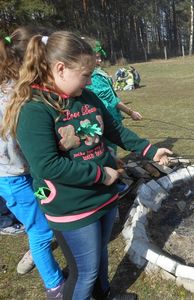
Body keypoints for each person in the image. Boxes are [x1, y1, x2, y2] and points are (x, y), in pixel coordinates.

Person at [1, 30, 172, 300]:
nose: (90, 80)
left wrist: (149, 149)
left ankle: (104, 295)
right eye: (85, 75)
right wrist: (100, 174)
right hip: (71, 205)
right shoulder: (34, 109)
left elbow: (114, 129)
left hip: (102, 196)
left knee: (100, 254)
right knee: (84, 273)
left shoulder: (87, 97)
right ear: (60, 68)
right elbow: (48, 166)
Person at [0, 27, 65, 298]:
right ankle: (54, 285)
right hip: (13, 180)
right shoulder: (13, 97)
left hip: (25, 176)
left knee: (43, 215)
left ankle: (37, 255)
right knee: (39, 230)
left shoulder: (14, 91)